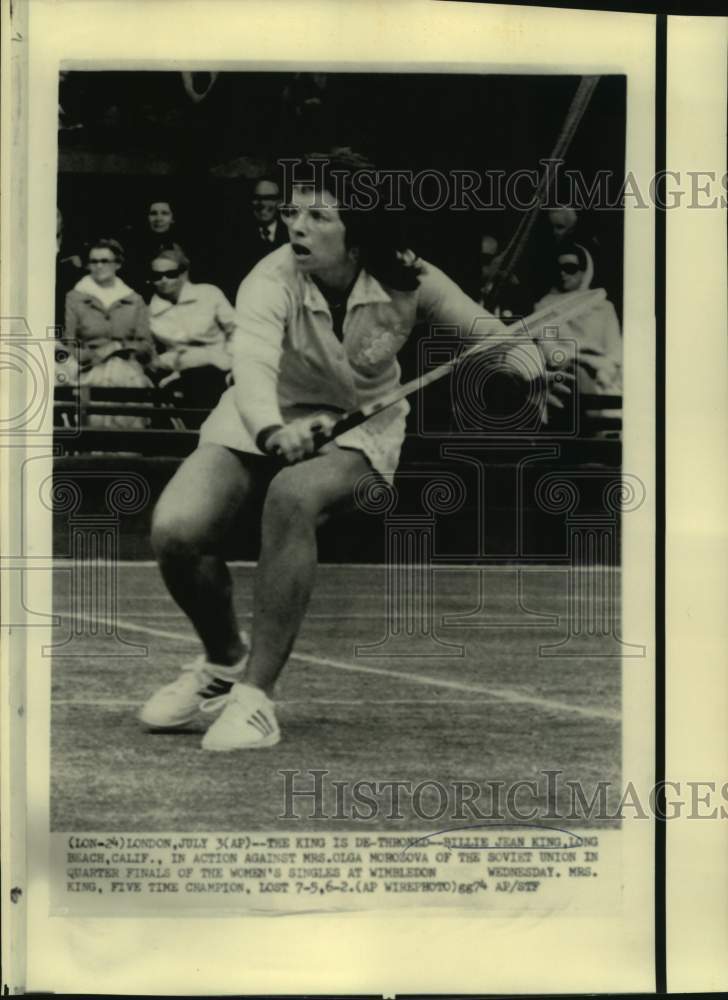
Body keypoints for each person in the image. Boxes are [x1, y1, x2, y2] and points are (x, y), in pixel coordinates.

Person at [138, 151, 548, 751]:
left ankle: (254, 700)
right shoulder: (267, 280)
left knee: (292, 496)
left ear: (358, 229)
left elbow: (491, 336)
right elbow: (250, 367)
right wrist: (273, 432)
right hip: (263, 416)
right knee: (176, 530)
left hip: (362, 431)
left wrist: (531, 368)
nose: (296, 226)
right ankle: (224, 661)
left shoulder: (412, 280)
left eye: (318, 215)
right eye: (291, 212)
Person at [63, 237, 155, 426]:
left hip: (128, 368)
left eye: (105, 261)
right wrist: (90, 356)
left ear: (118, 264)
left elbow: (145, 345)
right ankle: (95, 451)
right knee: (96, 388)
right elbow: (69, 341)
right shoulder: (74, 298)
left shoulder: (134, 300)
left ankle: (129, 451)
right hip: (89, 368)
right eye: (93, 261)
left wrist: (118, 347)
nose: (99, 266)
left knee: (128, 386)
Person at [147, 244, 236, 424]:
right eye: (157, 276)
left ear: (183, 274)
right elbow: (150, 351)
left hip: (219, 364)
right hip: (177, 369)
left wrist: (233, 359)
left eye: (170, 274)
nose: (163, 280)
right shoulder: (151, 310)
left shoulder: (209, 294)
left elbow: (236, 330)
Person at [535, 242, 622, 399]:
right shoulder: (545, 308)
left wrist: (602, 368)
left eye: (570, 268)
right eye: (558, 268)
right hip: (565, 372)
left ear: (584, 272)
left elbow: (615, 350)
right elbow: (548, 348)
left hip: (603, 372)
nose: (563, 274)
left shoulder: (604, 306)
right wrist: (579, 361)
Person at [214, 177, 289, 302]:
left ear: (280, 202)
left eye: (269, 198)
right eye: (257, 198)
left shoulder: (292, 235)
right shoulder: (233, 238)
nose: (262, 204)